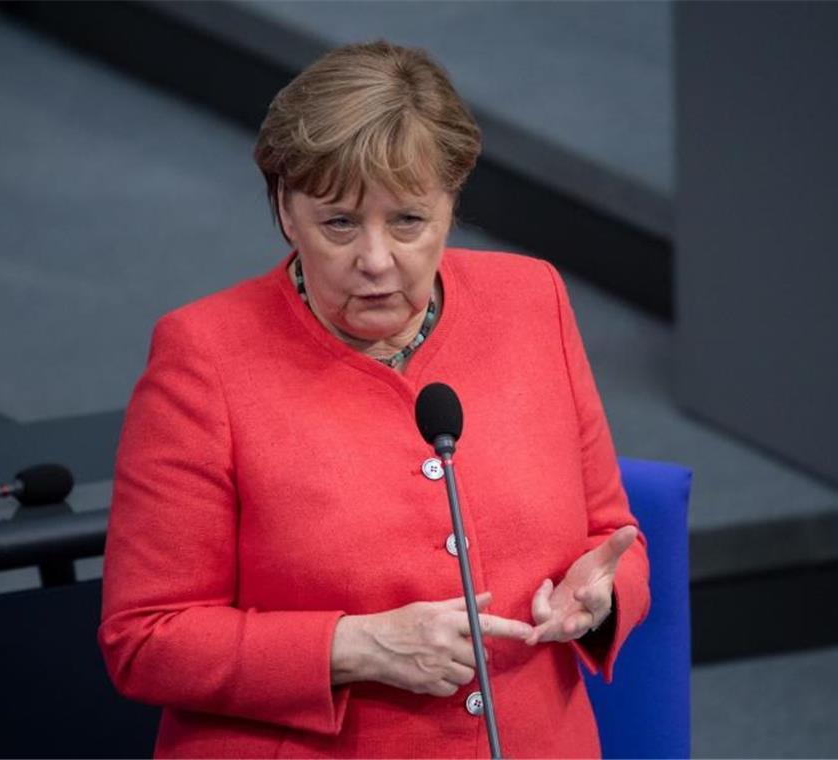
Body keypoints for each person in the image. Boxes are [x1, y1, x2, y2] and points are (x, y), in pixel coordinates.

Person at [98, 40, 649, 759]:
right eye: (339, 224)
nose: (377, 261)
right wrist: (352, 647)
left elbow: (613, 535)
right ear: (286, 213)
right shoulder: (204, 358)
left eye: (409, 222)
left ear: (451, 207)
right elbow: (145, 637)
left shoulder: (531, 301)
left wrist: (599, 599)